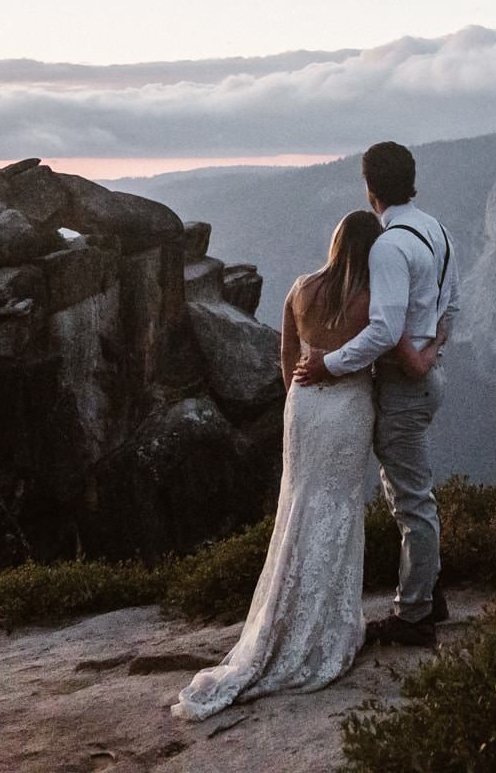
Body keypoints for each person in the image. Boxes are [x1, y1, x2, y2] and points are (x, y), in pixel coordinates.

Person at [172, 210, 440, 722]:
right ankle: (326, 630)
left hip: (304, 406)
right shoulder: (370, 301)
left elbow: (286, 358)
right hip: (346, 407)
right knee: (337, 508)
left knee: (296, 504)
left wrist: (302, 393)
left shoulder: (300, 288)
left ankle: (282, 619)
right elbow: (383, 356)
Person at [295, 141, 458, 649]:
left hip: (404, 388)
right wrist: (430, 349)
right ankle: (428, 591)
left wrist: (328, 363)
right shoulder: (436, 229)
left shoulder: (387, 246)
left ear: (369, 191)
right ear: (412, 181)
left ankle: (414, 617)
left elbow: (383, 331)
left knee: (410, 499)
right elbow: (452, 301)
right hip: (423, 378)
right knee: (405, 490)